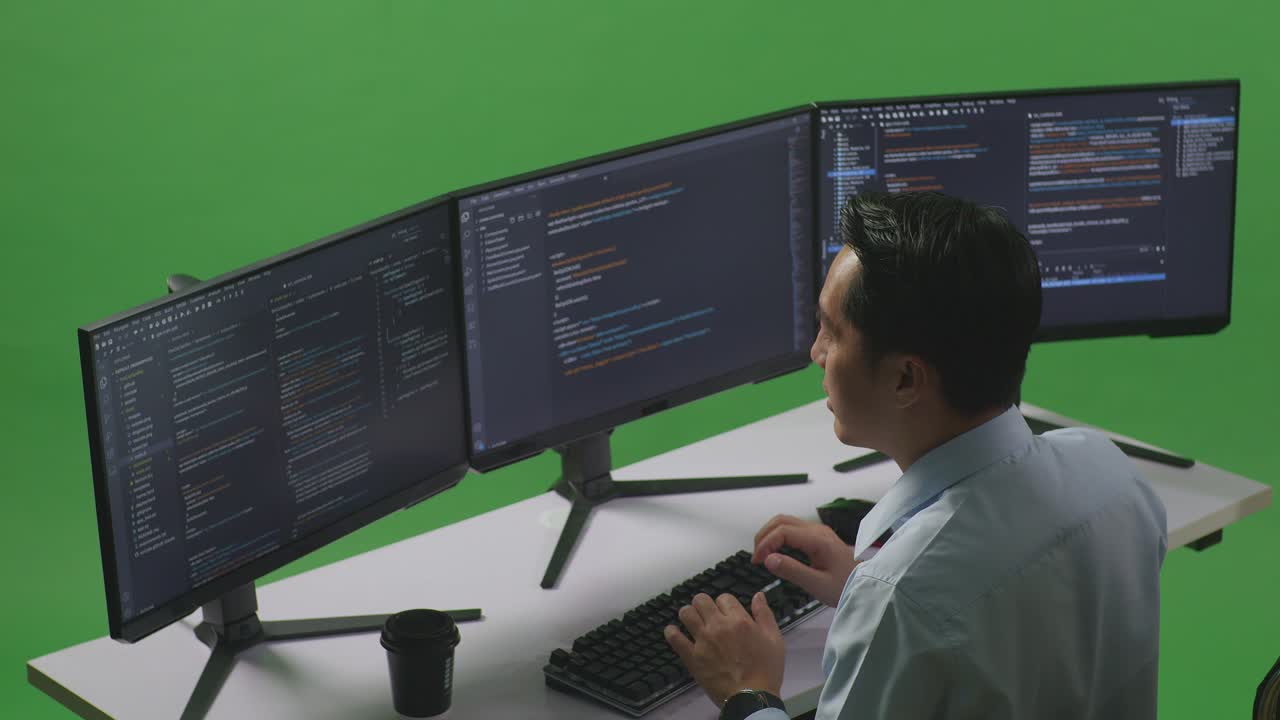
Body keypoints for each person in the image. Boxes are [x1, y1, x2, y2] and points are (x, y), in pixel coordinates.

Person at [663, 191, 1168, 720]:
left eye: (831, 332)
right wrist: (864, 585)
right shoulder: (1109, 473)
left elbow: (932, 597)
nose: (817, 352)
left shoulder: (903, 597)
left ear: (906, 378)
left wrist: (749, 692)